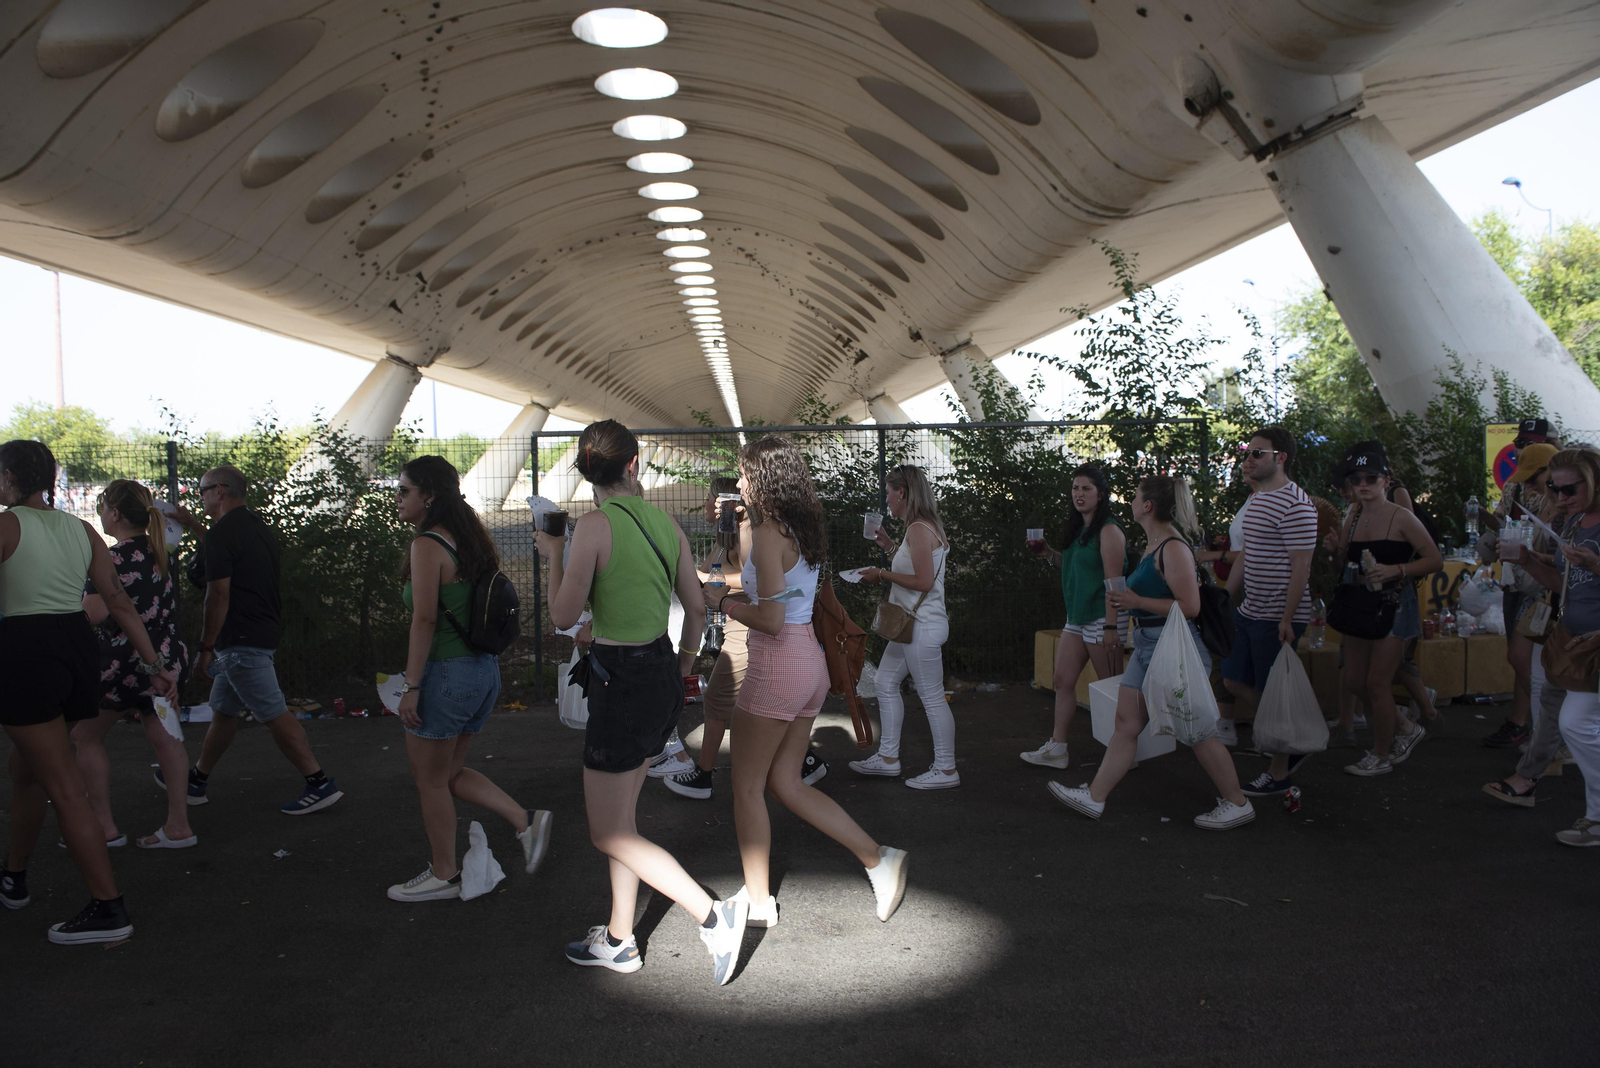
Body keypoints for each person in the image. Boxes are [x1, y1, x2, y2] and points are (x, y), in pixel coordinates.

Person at [535, 420, 747, 983]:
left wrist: (553, 553)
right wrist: (682, 665)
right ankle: (620, 938)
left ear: (588, 471)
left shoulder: (594, 527)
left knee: (607, 831)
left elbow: (561, 616)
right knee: (622, 820)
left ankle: (713, 914)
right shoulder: (666, 523)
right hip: (658, 672)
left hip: (618, 681)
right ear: (634, 465)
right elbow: (698, 608)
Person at [722, 436, 909, 925]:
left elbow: (770, 620)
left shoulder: (768, 534)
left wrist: (721, 603)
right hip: (810, 667)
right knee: (787, 782)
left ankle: (758, 901)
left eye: (744, 474)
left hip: (777, 665)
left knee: (746, 788)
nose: (739, 482)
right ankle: (877, 857)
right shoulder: (803, 530)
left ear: (762, 479)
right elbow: (786, 599)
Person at [0, 440, 177, 943]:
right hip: (76, 652)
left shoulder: (6, 524)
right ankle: (14, 876)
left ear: (11, 477)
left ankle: (108, 909)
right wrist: (154, 663)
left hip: (27, 651)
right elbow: (119, 603)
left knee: (63, 784)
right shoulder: (79, 529)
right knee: (27, 768)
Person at [387, 456, 552, 902]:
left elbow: (423, 621)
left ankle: (445, 872)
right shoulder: (469, 540)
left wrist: (412, 686)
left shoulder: (427, 545)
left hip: (444, 676)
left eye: (404, 490)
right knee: (449, 773)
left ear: (429, 495)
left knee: (431, 781)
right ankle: (525, 821)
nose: (397, 498)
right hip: (481, 673)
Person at [1049, 475, 1256, 830]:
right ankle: (1095, 797)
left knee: (1196, 731)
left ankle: (1237, 802)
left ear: (1148, 506)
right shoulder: (1155, 543)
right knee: (1126, 723)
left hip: (1172, 648)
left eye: (1135, 497)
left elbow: (1189, 606)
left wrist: (1134, 600)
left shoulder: (1172, 547)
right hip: (1149, 645)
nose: (1129, 501)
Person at [161, 466, 342, 814]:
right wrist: (196, 526)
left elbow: (217, 596)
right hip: (255, 634)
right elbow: (220, 546)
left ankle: (319, 782)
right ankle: (197, 780)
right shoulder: (255, 528)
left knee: (273, 712)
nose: (198, 497)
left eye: (202, 490)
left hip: (239, 641)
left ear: (220, 491)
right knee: (224, 711)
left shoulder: (223, 534)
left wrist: (205, 650)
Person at [663, 478, 828, 798]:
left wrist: (710, 584)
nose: (708, 505)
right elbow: (720, 573)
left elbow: (757, 579)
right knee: (750, 711)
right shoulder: (730, 534)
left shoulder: (753, 534)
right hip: (743, 626)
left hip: (748, 628)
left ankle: (704, 776)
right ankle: (805, 761)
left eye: (713, 499)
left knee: (716, 702)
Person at [68, 480, 194, 851]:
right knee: (166, 737)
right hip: (167, 660)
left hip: (121, 667)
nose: (100, 515)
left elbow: (94, 612)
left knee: (84, 737)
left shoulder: (111, 558)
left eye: (102, 507)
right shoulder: (161, 552)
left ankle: (104, 827)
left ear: (115, 514)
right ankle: (179, 826)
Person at [1498, 446, 1600, 846]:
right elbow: (1562, 585)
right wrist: (1525, 560)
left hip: (1592, 645)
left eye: (1569, 488)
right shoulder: (1574, 523)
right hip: (1574, 640)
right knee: (1571, 721)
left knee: (1575, 722)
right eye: (1556, 490)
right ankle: (1594, 819)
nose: (1561, 497)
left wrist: (1594, 565)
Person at [1328, 446, 1442, 777]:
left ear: (1385, 481)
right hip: (1359, 603)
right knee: (1354, 681)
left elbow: (1434, 560)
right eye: (1355, 479)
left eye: (1370, 478)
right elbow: (1342, 568)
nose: (1362, 484)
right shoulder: (1353, 515)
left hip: (1393, 605)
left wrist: (1397, 570)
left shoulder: (1400, 516)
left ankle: (1380, 753)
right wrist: (1334, 552)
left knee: (1377, 683)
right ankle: (1405, 727)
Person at [850, 464, 958, 788]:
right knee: (884, 682)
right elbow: (916, 566)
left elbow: (923, 581)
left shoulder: (919, 528)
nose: (887, 500)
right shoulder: (922, 527)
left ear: (903, 493)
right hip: (912, 627)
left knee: (932, 697)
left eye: (889, 493)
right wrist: (887, 547)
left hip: (921, 627)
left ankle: (947, 769)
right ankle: (887, 758)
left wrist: (880, 574)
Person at [1220, 427, 1315, 788]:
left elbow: (1302, 566)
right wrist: (1227, 595)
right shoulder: (1258, 499)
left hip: (1276, 615)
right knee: (1232, 679)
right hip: (1250, 611)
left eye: (1258, 453)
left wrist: (1288, 618)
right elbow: (1247, 554)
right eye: (1247, 452)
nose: (1249, 458)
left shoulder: (1296, 504)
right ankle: (1291, 742)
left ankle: (1280, 768)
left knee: (1271, 690)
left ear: (1281, 458)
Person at [1020, 464, 1125, 769]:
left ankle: (1125, 752)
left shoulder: (1109, 530)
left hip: (1101, 617)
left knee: (1112, 688)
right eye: (1075, 488)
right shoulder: (1079, 528)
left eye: (1086, 488)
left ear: (1101, 494)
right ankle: (1058, 749)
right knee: (1062, 680)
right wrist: (1049, 554)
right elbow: (1073, 567)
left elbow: (1114, 583)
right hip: (1077, 617)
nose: (1079, 494)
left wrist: (1110, 627)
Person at [1482, 443, 1560, 750]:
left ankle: (1550, 735)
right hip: (1529, 586)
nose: (1527, 483)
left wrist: (1533, 557)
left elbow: (1567, 554)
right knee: (1525, 661)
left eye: (1533, 477)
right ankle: (1547, 733)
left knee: (1539, 665)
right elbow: (1503, 523)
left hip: (1547, 590)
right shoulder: (1524, 493)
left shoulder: (1564, 502)